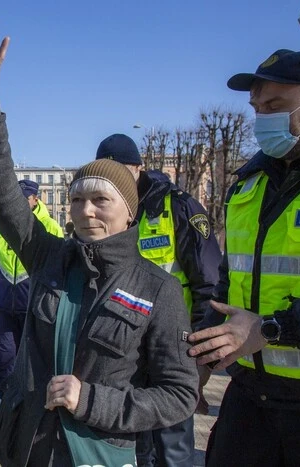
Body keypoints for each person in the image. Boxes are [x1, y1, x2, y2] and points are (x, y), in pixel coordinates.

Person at [0, 31, 198, 466]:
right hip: (30, 447)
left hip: (100, 453)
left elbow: (179, 394)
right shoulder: (50, 255)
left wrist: (90, 399)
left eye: (101, 200)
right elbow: (2, 196)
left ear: (128, 212)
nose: (86, 211)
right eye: (76, 199)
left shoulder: (158, 288)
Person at [188, 49, 300, 466]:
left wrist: (273, 329)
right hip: (249, 395)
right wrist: (202, 363)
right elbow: (227, 285)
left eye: (275, 106)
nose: (263, 119)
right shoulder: (247, 185)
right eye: (257, 109)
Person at [95, 133, 222, 467]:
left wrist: (201, 355)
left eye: (121, 170)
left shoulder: (177, 206)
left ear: (138, 167)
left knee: (172, 447)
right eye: (105, 173)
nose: (115, 180)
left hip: (173, 349)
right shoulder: (105, 214)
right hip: (123, 350)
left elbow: (209, 283)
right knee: (129, 447)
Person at [0, 180, 63, 433]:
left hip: (35, 310)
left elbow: (56, 271)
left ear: (36, 199)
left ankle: (32, 419)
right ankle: (0, 414)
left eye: (25, 199)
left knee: (36, 367)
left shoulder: (51, 227)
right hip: (6, 308)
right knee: (5, 361)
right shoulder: (1, 227)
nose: (20, 204)